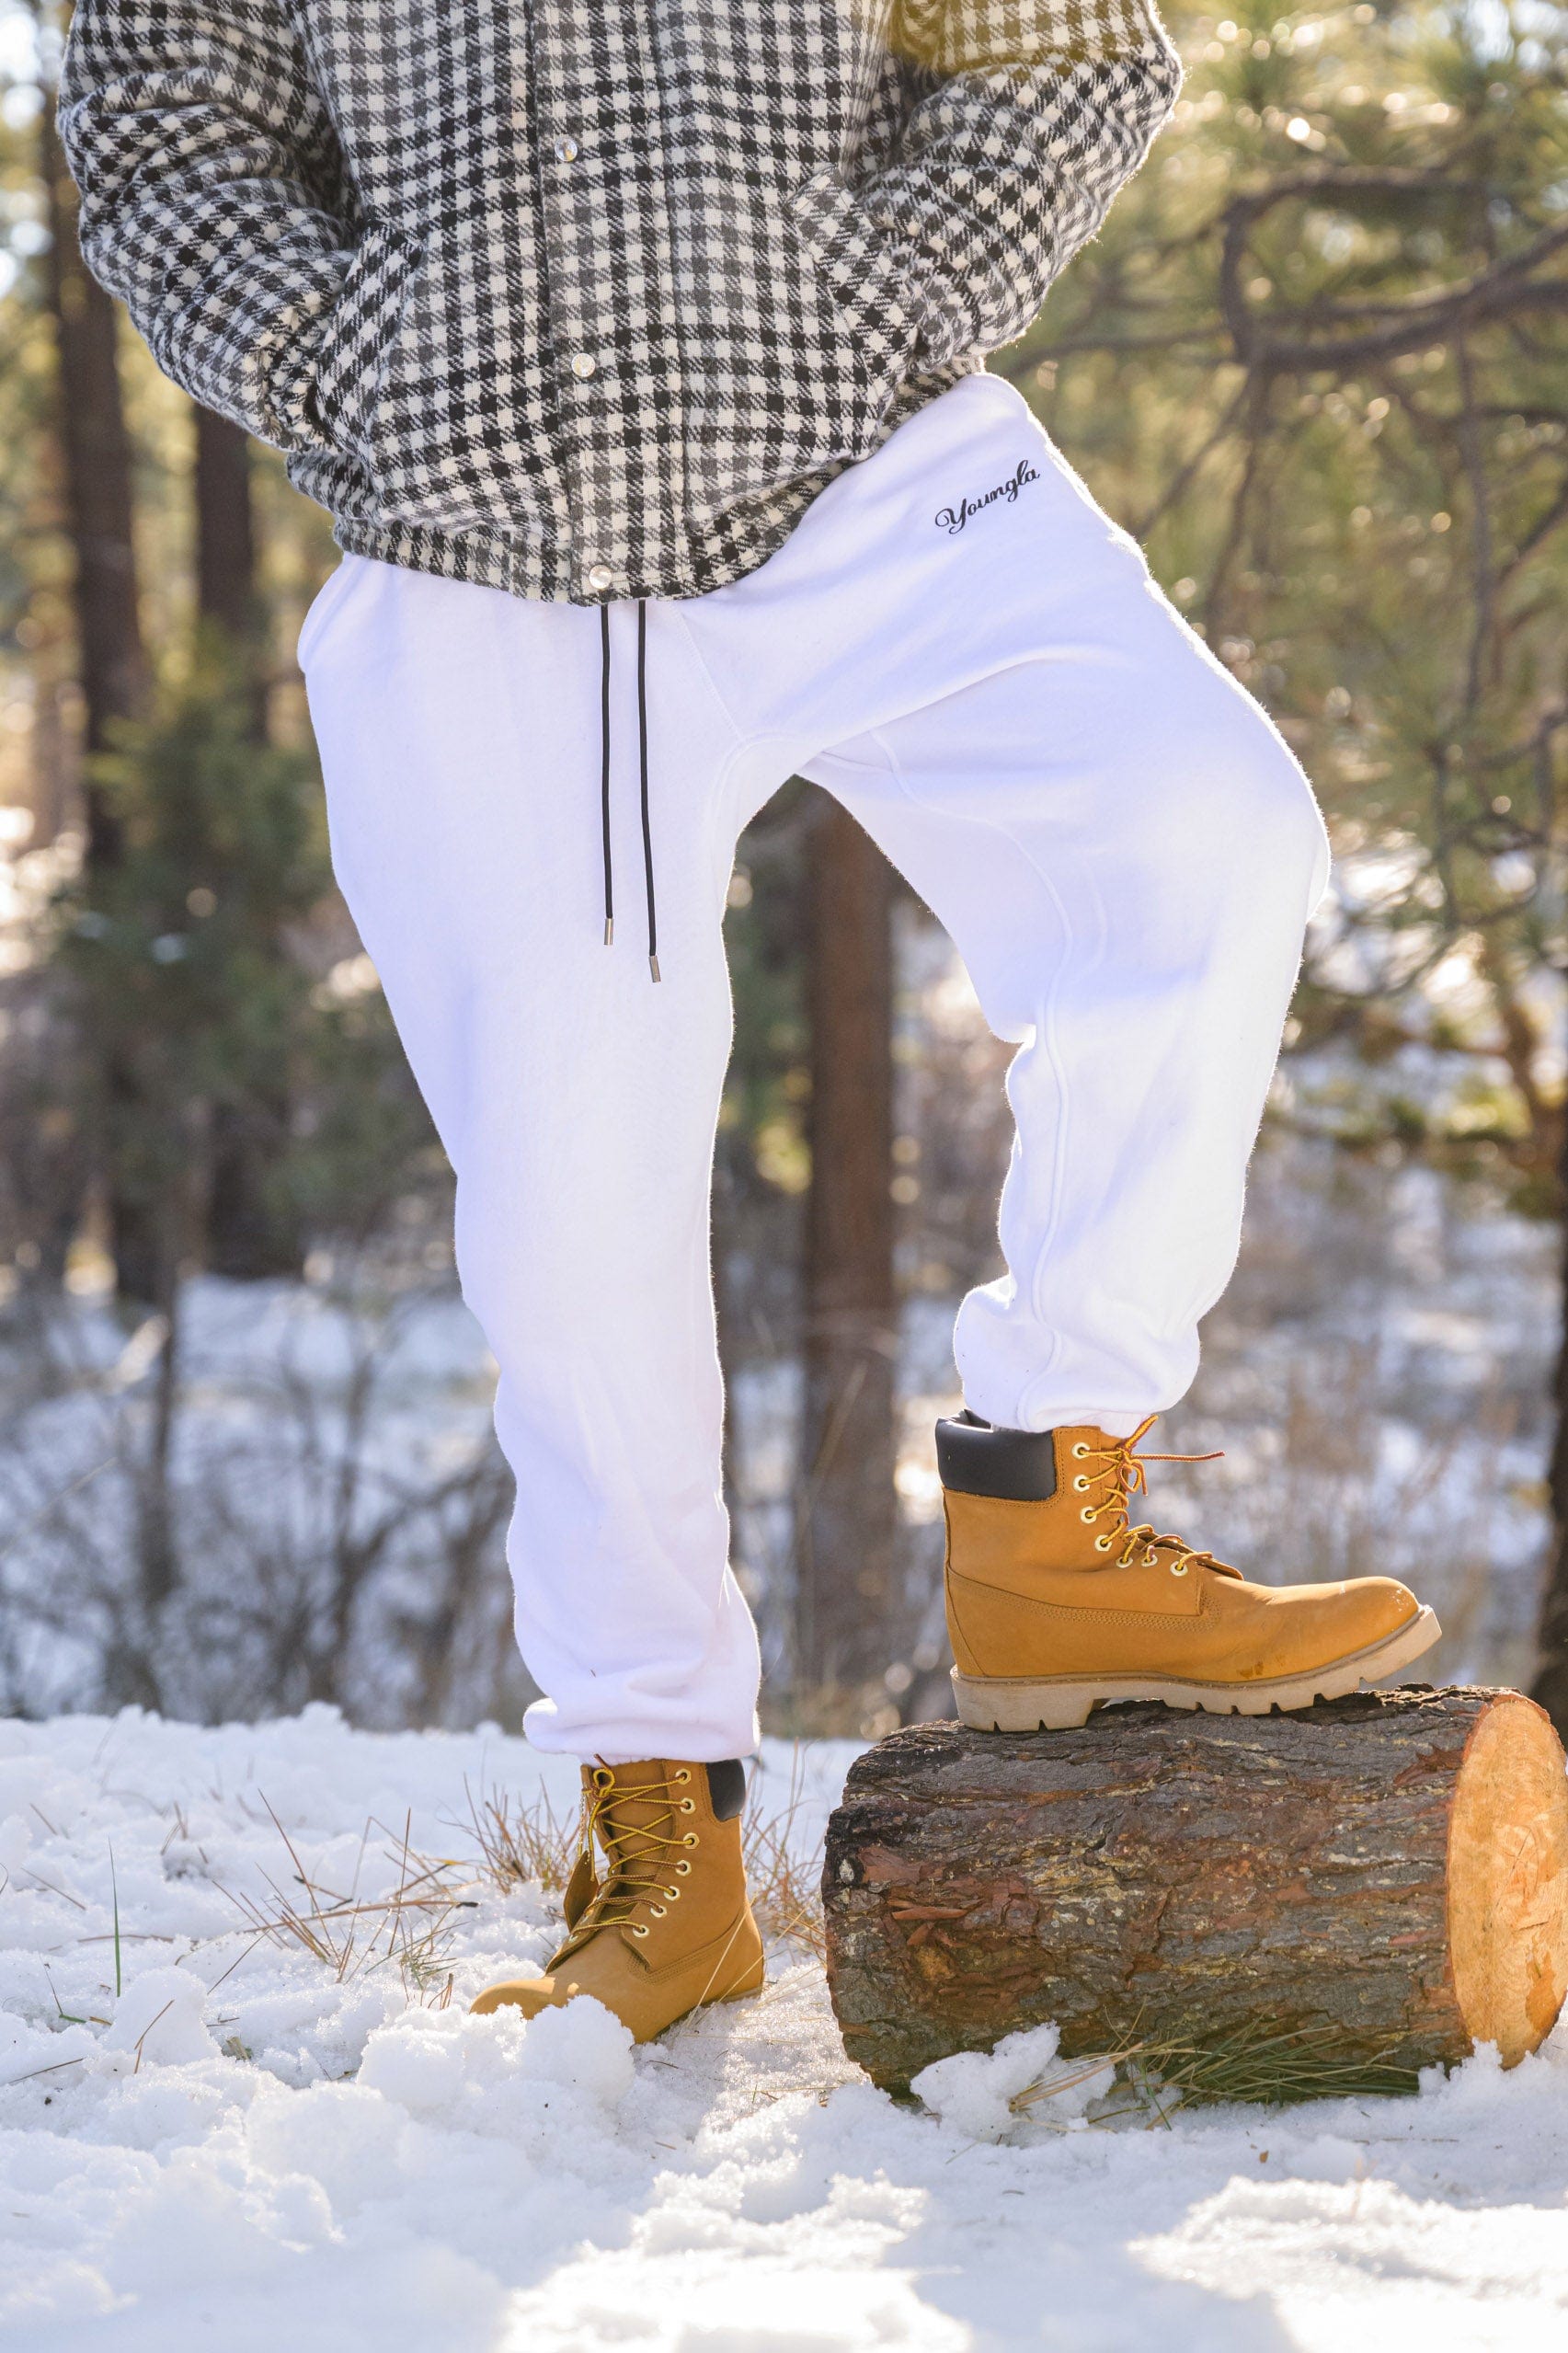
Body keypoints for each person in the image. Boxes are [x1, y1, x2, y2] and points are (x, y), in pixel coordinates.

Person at [61, 0, 1438, 2048]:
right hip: (476, 537)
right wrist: (351, 366)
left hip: (872, 469)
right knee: (571, 1187)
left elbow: (1067, 45)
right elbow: (166, 123)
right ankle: (667, 1828)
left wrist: (865, 297)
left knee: (1202, 840)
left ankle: (1052, 1512)